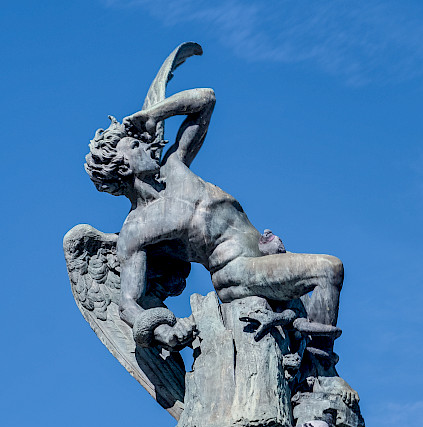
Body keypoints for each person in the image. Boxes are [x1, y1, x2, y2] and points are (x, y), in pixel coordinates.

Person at [85, 87, 343, 353]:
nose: (148, 147)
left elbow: (206, 100)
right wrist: (165, 333)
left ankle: (318, 370)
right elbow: (128, 302)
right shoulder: (137, 229)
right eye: (136, 146)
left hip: (266, 260)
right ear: (124, 166)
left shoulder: (175, 166)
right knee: (328, 269)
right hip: (237, 271)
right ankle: (324, 373)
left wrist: (154, 114)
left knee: (313, 320)